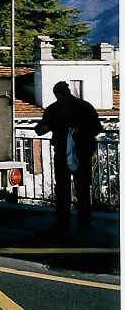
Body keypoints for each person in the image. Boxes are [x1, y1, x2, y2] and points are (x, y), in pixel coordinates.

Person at [35, 81, 103, 230]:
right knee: (81, 189)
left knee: (66, 188)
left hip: (70, 152)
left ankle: (65, 222)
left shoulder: (54, 109)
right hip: (80, 152)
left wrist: (48, 127)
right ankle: (82, 222)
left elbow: (39, 129)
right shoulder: (84, 106)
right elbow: (97, 128)